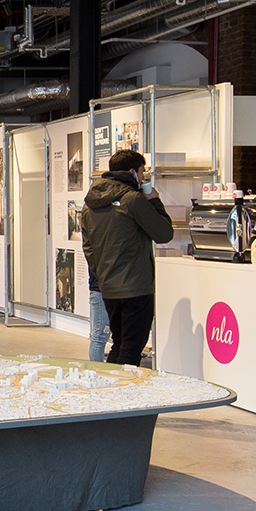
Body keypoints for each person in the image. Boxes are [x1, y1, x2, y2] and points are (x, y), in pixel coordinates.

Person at [81, 149, 173, 366]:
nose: (143, 178)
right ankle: (122, 386)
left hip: (108, 287)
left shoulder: (90, 204)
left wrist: (103, 273)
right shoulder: (133, 199)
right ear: (132, 172)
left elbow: (88, 248)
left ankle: (109, 383)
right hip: (136, 287)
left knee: (120, 344)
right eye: (141, 172)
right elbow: (164, 234)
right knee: (131, 350)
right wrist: (154, 201)